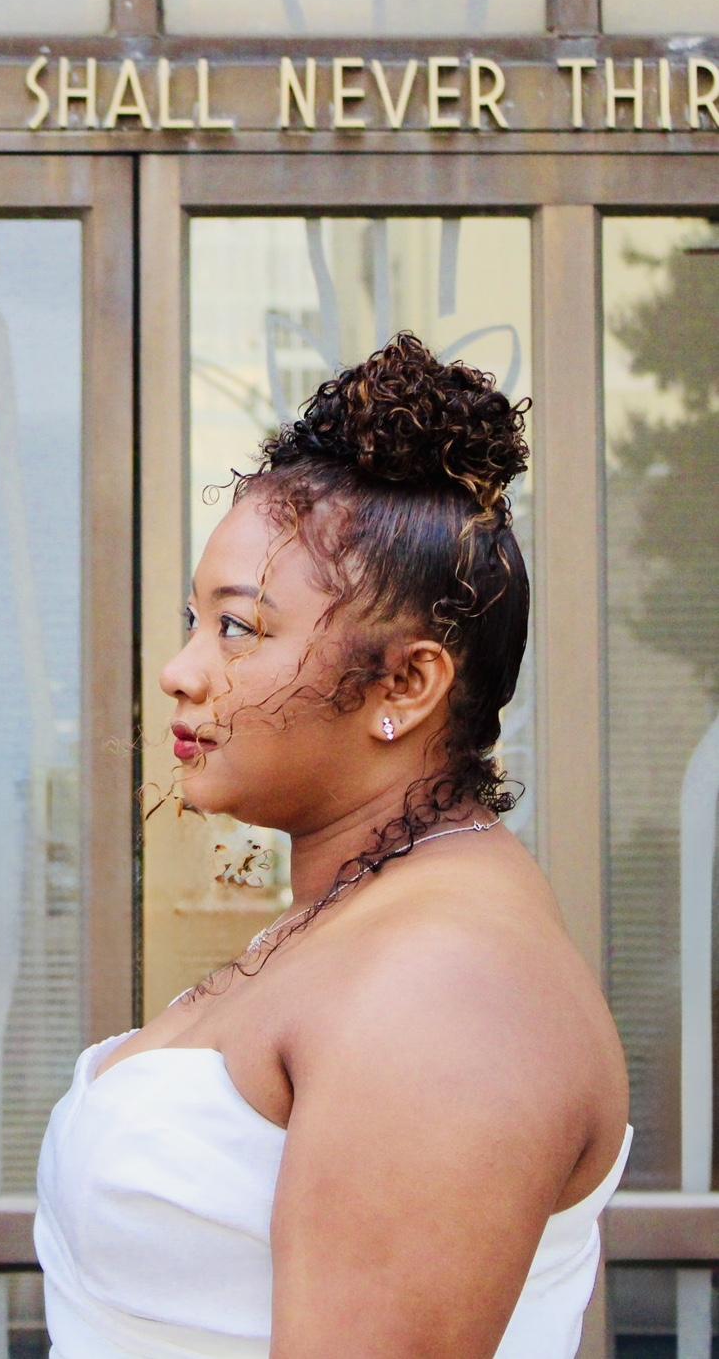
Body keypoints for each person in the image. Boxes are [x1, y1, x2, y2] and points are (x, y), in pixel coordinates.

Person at [36, 334, 630, 1359]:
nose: (180, 671)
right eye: (193, 620)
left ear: (407, 684)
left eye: (238, 628)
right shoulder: (375, 917)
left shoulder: (449, 987)